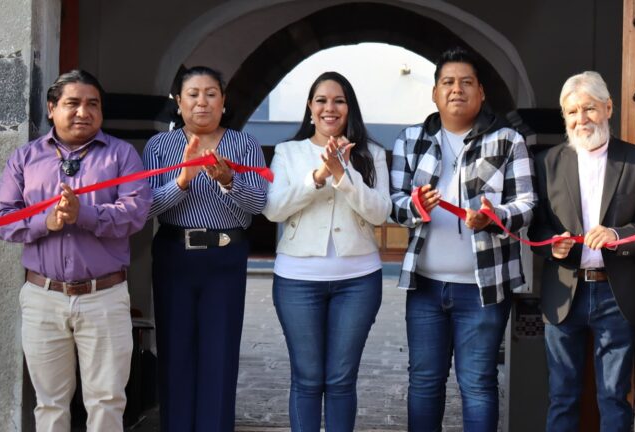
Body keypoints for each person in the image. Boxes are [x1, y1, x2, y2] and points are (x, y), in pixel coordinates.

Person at [0, 70, 152, 431]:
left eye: (92, 104)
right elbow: (3, 219)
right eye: (73, 103)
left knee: (107, 401)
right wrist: (44, 222)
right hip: (43, 297)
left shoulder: (122, 156)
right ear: (52, 108)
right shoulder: (25, 159)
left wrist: (84, 215)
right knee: (49, 404)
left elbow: (136, 213)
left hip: (104, 296)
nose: (83, 111)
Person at [389, 47, 536, 431]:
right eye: (448, 82)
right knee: (423, 383)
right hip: (425, 285)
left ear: (482, 93)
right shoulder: (410, 139)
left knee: (478, 384)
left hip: (483, 287)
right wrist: (415, 205)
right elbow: (394, 204)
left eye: (466, 82)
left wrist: (494, 216)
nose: (457, 89)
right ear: (435, 93)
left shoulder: (508, 140)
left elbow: (527, 204)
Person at [528, 71, 635, 431]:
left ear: (609, 107)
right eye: (572, 112)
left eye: (589, 109)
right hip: (564, 291)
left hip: (617, 294)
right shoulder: (546, 163)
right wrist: (551, 247)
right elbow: (536, 225)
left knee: (615, 397)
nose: (581, 119)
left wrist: (617, 234)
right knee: (562, 396)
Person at [262, 71, 390, 432]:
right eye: (321, 100)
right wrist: (317, 177)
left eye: (338, 100)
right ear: (310, 107)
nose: (329, 108)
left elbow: (381, 212)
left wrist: (344, 176)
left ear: (349, 108)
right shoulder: (288, 152)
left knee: (340, 380)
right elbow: (273, 209)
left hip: (359, 280)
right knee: (306, 377)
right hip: (297, 280)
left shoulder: (371, 153)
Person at [142, 66, 268, 431]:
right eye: (193, 94)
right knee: (175, 350)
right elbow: (146, 206)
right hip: (174, 254)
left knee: (220, 352)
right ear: (178, 103)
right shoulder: (159, 146)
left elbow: (259, 203)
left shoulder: (244, 145)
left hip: (225, 257)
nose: (202, 102)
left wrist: (229, 180)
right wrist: (181, 181)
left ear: (224, 101)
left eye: (211, 93)